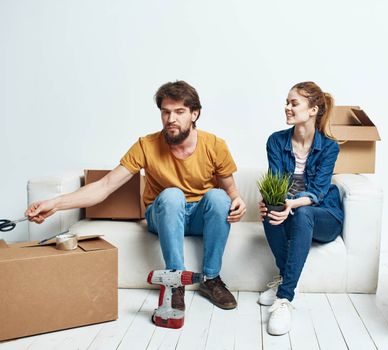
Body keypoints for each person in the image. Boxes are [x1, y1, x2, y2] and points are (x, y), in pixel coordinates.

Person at [26, 80, 246, 312]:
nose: (171, 119)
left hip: (200, 216)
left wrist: (237, 201)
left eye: (179, 112)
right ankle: (175, 280)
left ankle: (211, 279)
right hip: (164, 215)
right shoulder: (146, 145)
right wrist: (55, 203)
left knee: (219, 198)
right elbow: (105, 185)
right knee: (172, 196)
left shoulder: (215, 145)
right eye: (166, 112)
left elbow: (231, 192)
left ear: (194, 114)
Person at [258, 81, 344, 335]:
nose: (287, 107)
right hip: (293, 211)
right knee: (269, 210)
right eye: (286, 102)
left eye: (294, 103)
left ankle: (284, 298)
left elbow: (318, 192)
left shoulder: (329, 146)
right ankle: (286, 276)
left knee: (303, 210)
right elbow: (276, 184)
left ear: (313, 109)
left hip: (325, 216)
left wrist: (292, 203)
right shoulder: (276, 141)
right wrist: (272, 202)